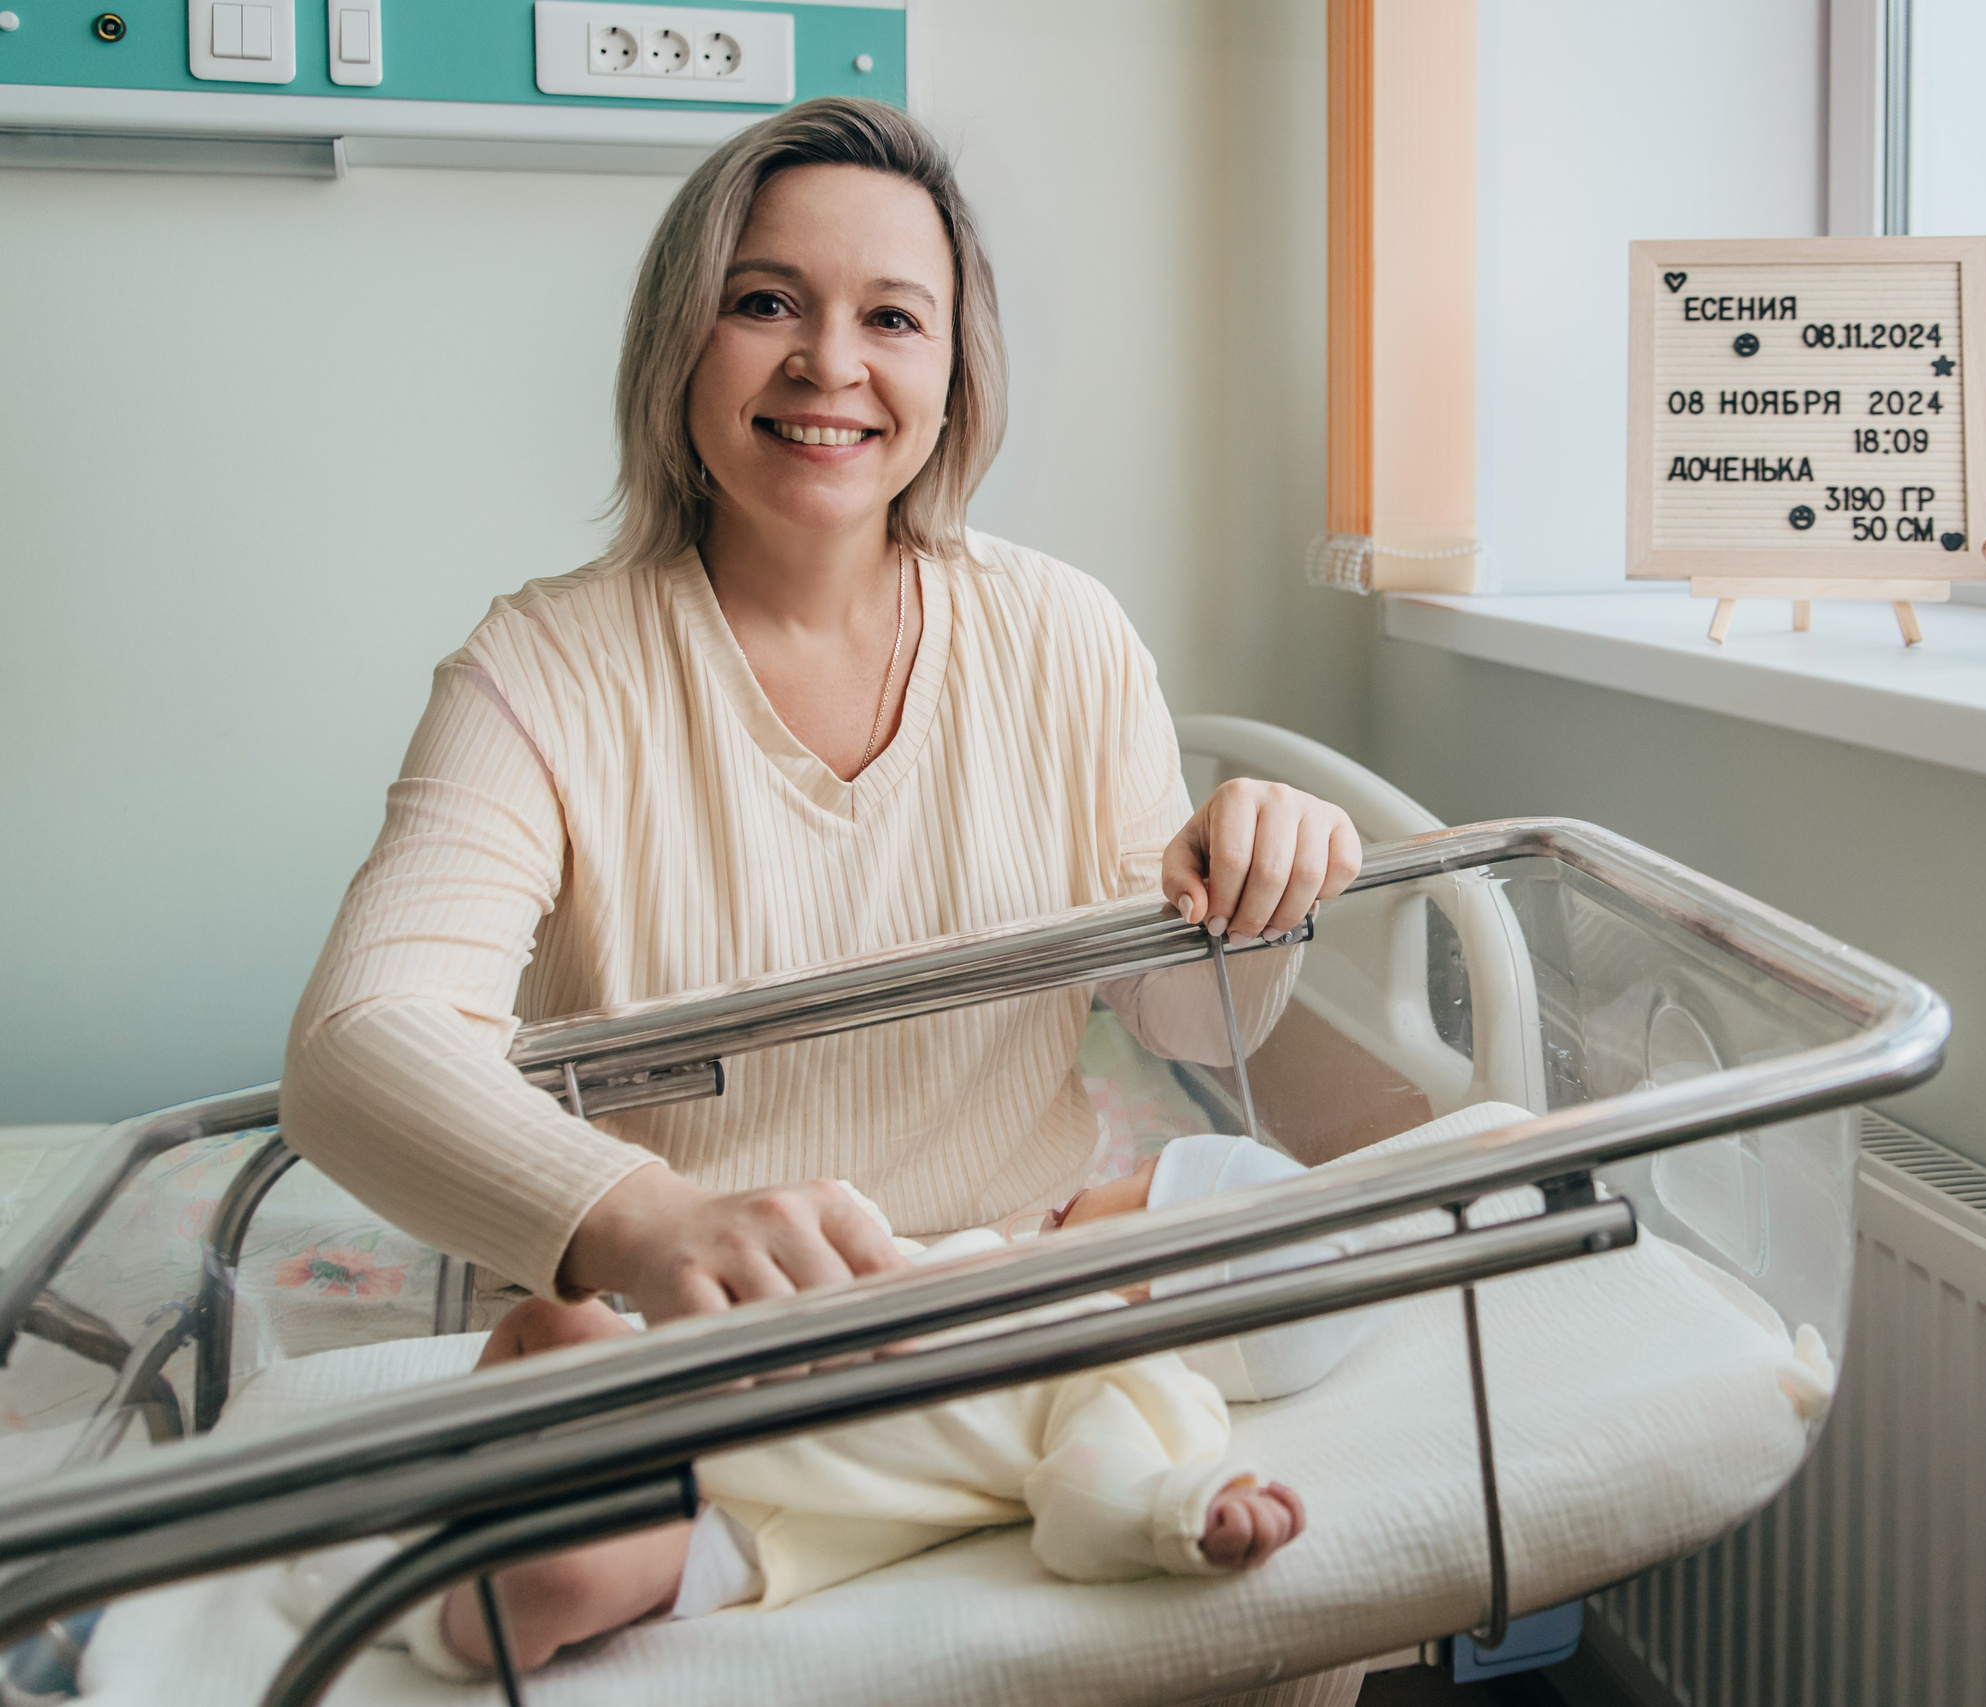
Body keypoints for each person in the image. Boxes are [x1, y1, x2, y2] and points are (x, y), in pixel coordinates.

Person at [278, 95, 1371, 1706]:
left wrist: (1261, 876)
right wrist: (649, 1226)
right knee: (569, 1489)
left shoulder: (1064, 635)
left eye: (891, 317)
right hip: (681, 1327)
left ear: (951, 375)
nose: (828, 364)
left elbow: (1193, 1019)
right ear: (683, 343)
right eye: (766, 300)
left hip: (1013, 1299)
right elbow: (358, 1044)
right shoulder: (544, 668)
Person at [293, 1133, 1385, 1681]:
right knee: (548, 1324)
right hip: (681, 1379)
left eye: (1130, 1181)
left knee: (565, 1580)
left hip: (741, 1507)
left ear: (1156, 1253)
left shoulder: (1122, 1377)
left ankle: (404, 1603)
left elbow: (1087, 1502)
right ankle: (454, 1483)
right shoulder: (987, 1256)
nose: (1086, 1182)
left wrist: (1185, 1508)